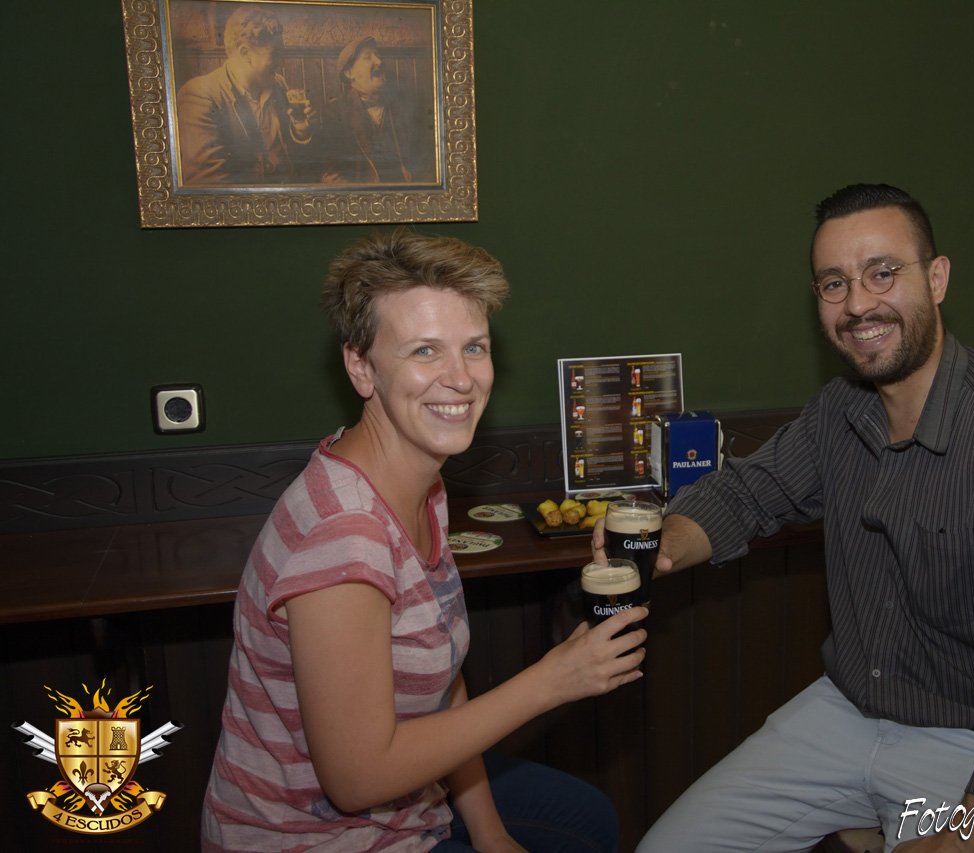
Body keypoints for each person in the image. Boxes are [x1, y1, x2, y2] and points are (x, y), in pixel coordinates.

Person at [605, 184, 974, 852]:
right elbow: (749, 492)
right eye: (833, 283)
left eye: (882, 273)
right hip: (849, 711)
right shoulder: (841, 407)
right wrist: (659, 546)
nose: (856, 305)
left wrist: (956, 843)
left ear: (937, 278)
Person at [202, 230, 646, 851]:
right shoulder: (345, 536)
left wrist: (492, 836)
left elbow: (442, 683)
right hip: (316, 837)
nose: (460, 379)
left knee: (588, 818)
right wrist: (552, 680)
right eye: (424, 351)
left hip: (412, 805)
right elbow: (357, 780)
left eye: (474, 348)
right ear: (361, 367)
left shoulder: (418, 483)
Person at [176, 5, 317, 185]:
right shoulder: (199, 95)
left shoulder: (278, 85)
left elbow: (293, 154)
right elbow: (209, 182)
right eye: (275, 54)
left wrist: (301, 131)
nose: (281, 63)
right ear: (245, 53)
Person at [319, 36, 435, 184]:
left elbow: (425, 161)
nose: (379, 61)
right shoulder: (335, 112)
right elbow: (331, 170)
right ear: (349, 73)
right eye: (368, 58)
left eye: (378, 56)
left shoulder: (406, 104)